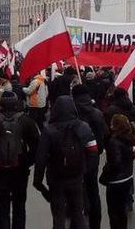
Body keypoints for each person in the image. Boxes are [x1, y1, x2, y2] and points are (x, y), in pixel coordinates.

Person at [0, 91, 40, 229]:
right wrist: (26, 162)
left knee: (2, 209)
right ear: (16, 102)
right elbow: (37, 149)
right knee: (19, 208)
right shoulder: (26, 121)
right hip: (20, 172)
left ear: (0, 103)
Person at [33, 95, 98, 229]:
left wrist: (38, 182)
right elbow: (93, 152)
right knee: (77, 212)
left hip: (56, 178)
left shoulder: (49, 130)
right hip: (76, 177)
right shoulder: (83, 127)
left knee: (58, 215)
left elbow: (41, 158)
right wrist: (84, 171)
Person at [72, 84, 109, 229]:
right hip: (93, 155)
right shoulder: (97, 113)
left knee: (75, 189)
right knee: (93, 189)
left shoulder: (72, 112)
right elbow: (105, 134)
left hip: (74, 156)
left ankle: (77, 217)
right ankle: (95, 223)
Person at [100, 114, 135, 229]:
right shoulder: (130, 138)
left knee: (113, 212)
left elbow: (114, 163)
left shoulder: (114, 142)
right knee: (122, 211)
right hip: (127, 177)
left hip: (116, 181)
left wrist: (105, 169)